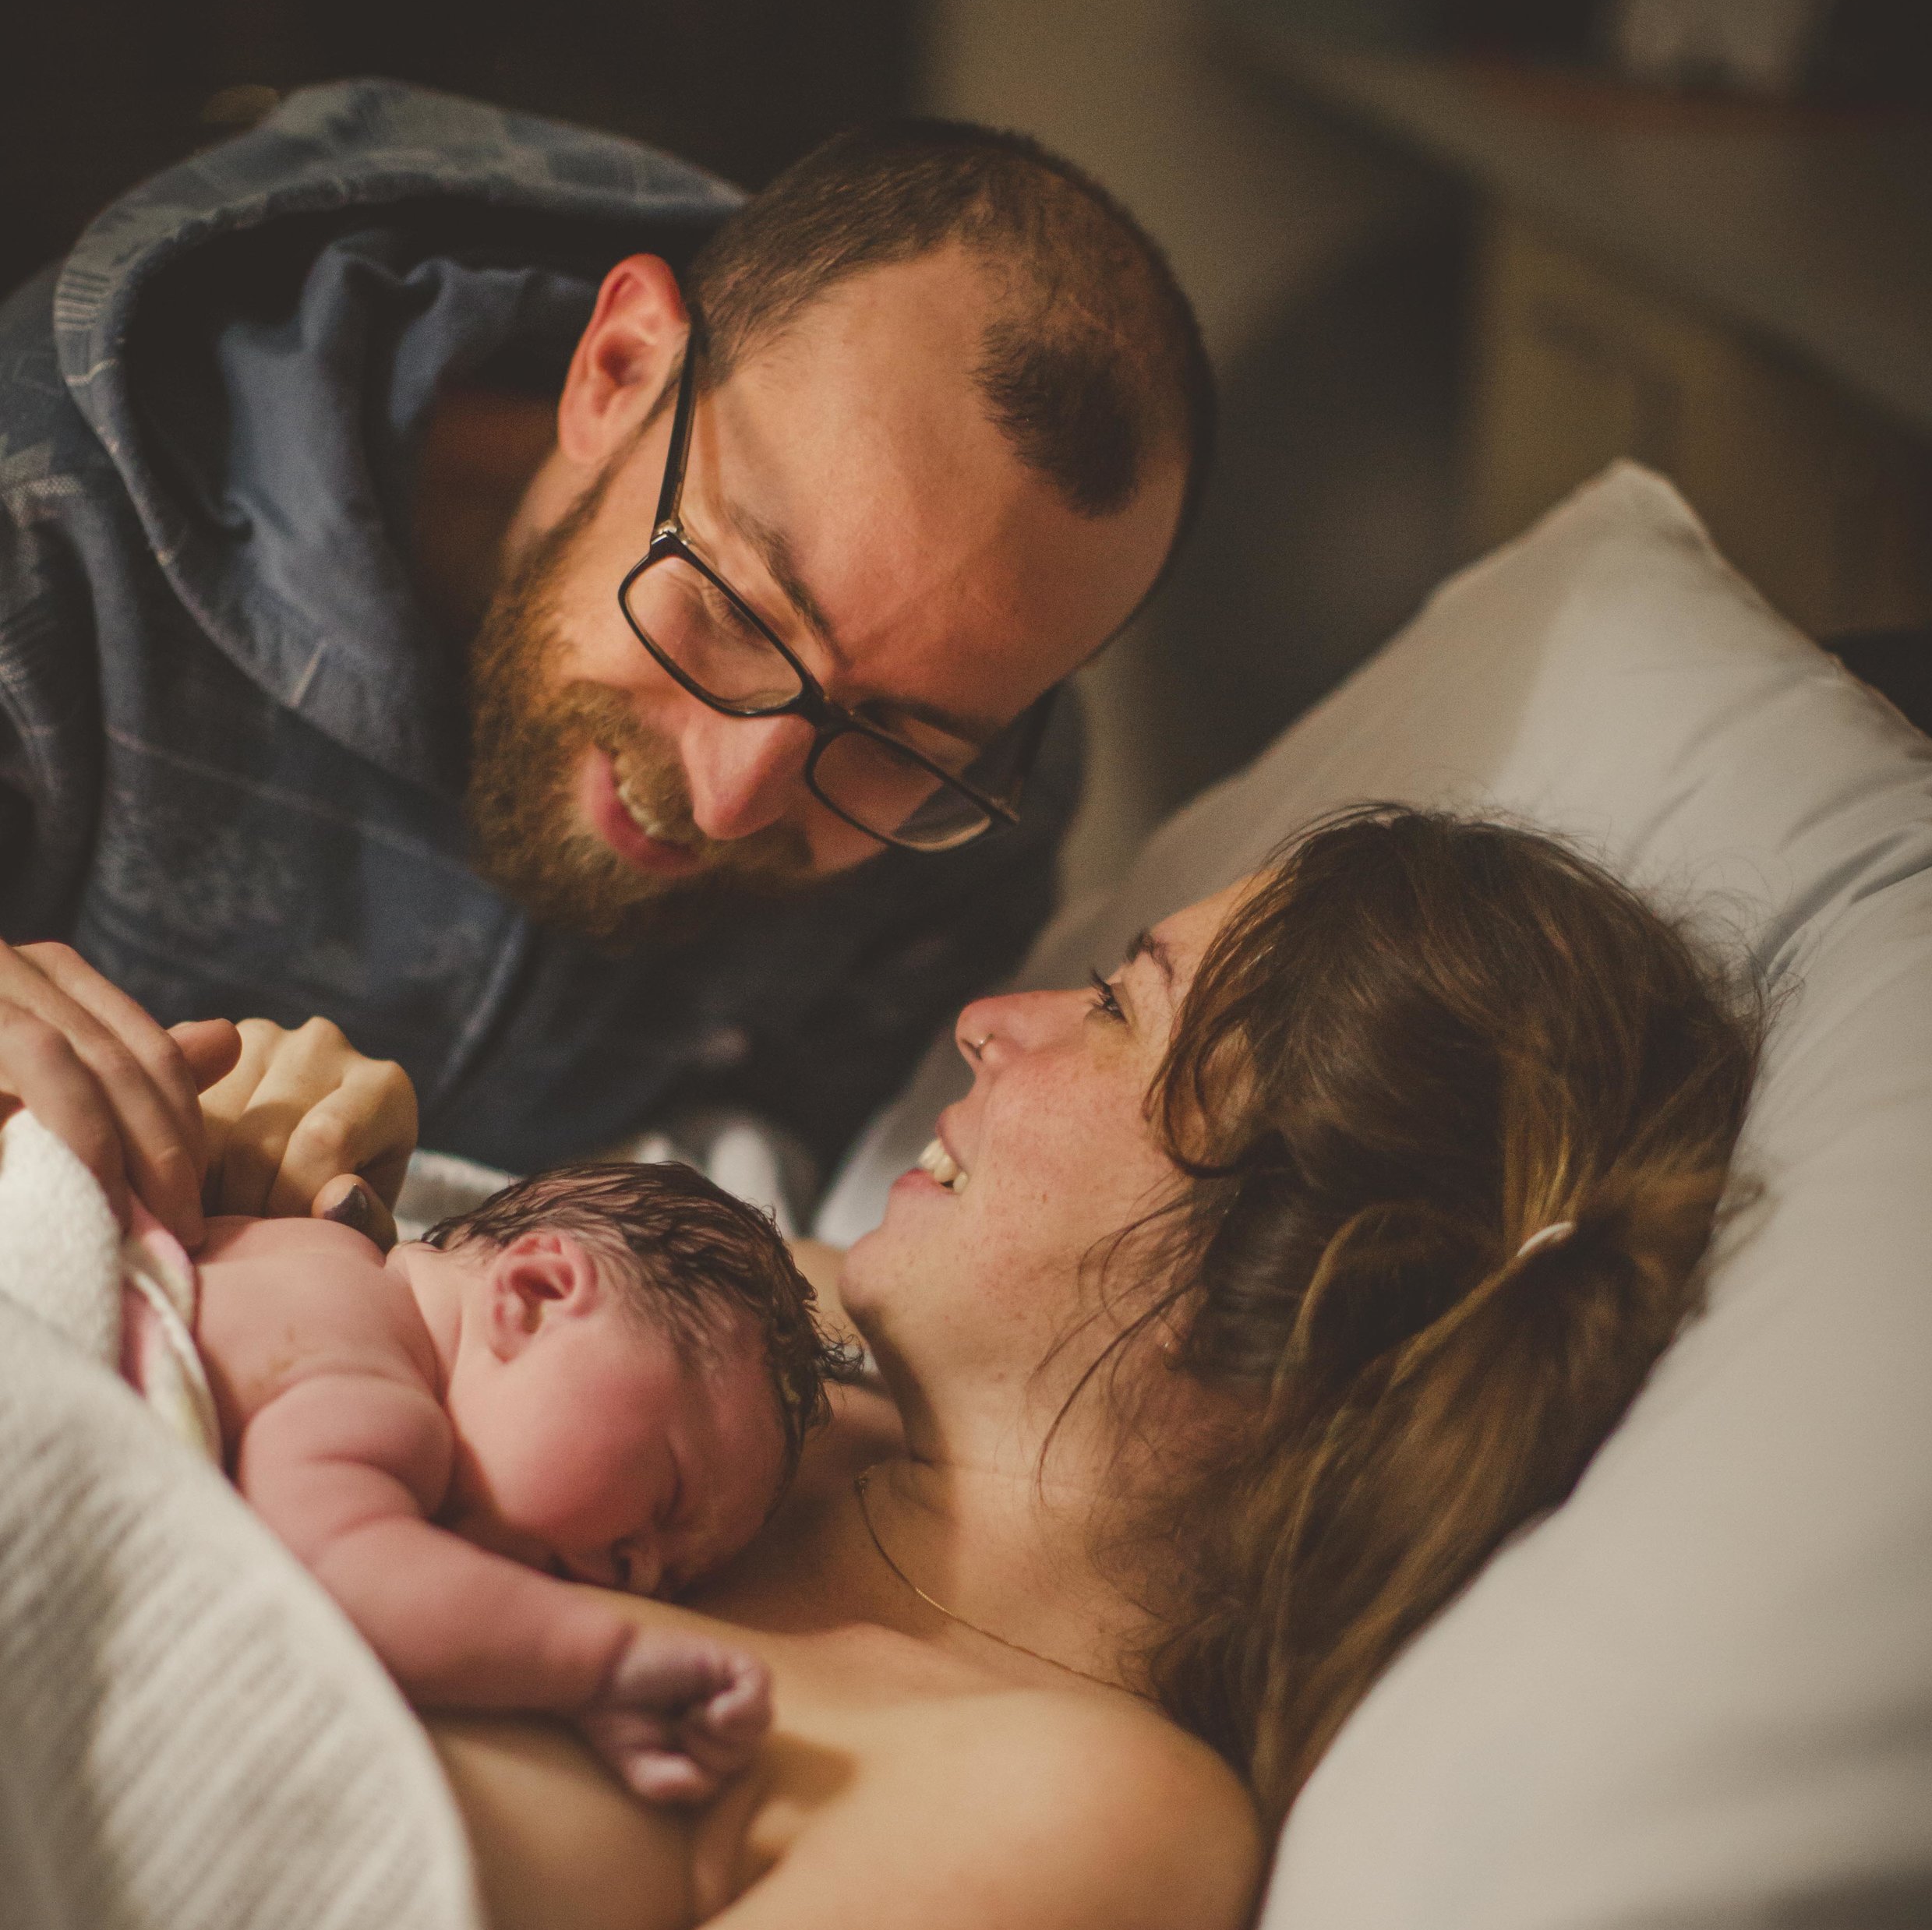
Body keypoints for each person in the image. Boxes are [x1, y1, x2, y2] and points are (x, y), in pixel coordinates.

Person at [0, 807, 1763, 1930]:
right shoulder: (743, 1344)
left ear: (1294, 1264)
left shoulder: (1061, 1839)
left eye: (1115, 1002)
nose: (995, 1017)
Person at [0, 79, 1212, 1204]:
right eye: (736, 614)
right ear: (619, 371)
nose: (734, 799)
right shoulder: (47, 522)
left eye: (895, 736)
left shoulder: (972, 811)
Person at [191, 1163, 855, 1801]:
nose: (641, 1577)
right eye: (668, 1496)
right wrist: (602, 1668)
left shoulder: (298, 1245)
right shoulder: (370, 1379)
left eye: (679, 1582)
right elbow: (350, 1573)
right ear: (535, 1294)